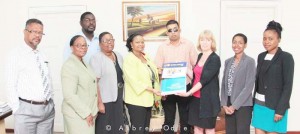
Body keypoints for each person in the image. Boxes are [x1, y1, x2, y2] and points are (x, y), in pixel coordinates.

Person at [5, 18, 55, 134]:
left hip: (47, 111)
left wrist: (51, 103)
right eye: (34, 31)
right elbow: (10, 84)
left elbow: (48, 79)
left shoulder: (42, 54)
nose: (38, 35)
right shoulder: (15, 54)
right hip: (26, 111)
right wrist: (17, 109)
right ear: (25, 31)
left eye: (40, 33)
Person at [154, 20, 197, 134]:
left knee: (185, 119)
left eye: (175, 29)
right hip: (168, 88)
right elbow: (158, 69)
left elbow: (196, 66)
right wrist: (162, 89)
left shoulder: (189, 45)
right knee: (169, 120)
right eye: (170, 30)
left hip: (185, 87)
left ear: (179, 30)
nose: (173, 32)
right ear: (167, 33)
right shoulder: (162, 47)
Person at [252, 20, 294, 134]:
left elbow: (288, 85)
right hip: (259, 105)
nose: (266, 41)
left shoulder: (286, 57)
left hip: (275, 107)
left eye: (270, 39)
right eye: (264, 38)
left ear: (278, 40)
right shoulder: (261, 56)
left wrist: (280, 110)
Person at [177, 30, 221, 134]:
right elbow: (195, 76)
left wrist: (188, 93)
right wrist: (182, 67)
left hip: (208, 101)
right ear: (199, 42)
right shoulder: (200, 56)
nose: (204, 42)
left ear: (212, 42)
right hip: (195, 100)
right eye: (202, 40)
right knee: (197, 128)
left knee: (209, 129)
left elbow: (203, 80)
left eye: (208, 40)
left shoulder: (215, 59)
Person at [123, 33, 161, 134]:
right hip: (136, 100)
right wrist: (153, 90)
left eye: (142, 42)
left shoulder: (145, 56)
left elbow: (153, 73)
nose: (141, 44)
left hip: (148, 99)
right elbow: (134, 80)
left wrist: (160, 71)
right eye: (137, 42)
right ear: (131, 44)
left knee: (145, 129)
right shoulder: (129, 59)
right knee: (137, 130)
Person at [61, 35, 98, 134]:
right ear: (72, 48)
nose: (83, 48)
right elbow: (69, 95)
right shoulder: (69, 65)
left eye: (85, 45)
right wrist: (86, 113)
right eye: (79, 45)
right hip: (78, 114)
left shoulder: (83, 62)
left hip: (88, 111)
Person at [90, 32, 125, 134]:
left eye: (111, 40)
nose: (109, 42)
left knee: (118, 127)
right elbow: (94, 83)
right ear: (100, 44)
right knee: (104, 128)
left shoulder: (118, 55)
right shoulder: (96, 58)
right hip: (105, 100)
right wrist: (99, 103)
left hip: (118, 98)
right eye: (106, 40)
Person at [220, 33, 256, 134]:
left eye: (240, 43)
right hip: (228, 105)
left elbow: (249, 87)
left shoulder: (250, 61)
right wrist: (224, 104)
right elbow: (224, 84)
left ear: (245, 45)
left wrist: (234, 106)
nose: (237, 45)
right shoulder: (228, 61)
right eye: (234, 42)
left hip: (243, 105)